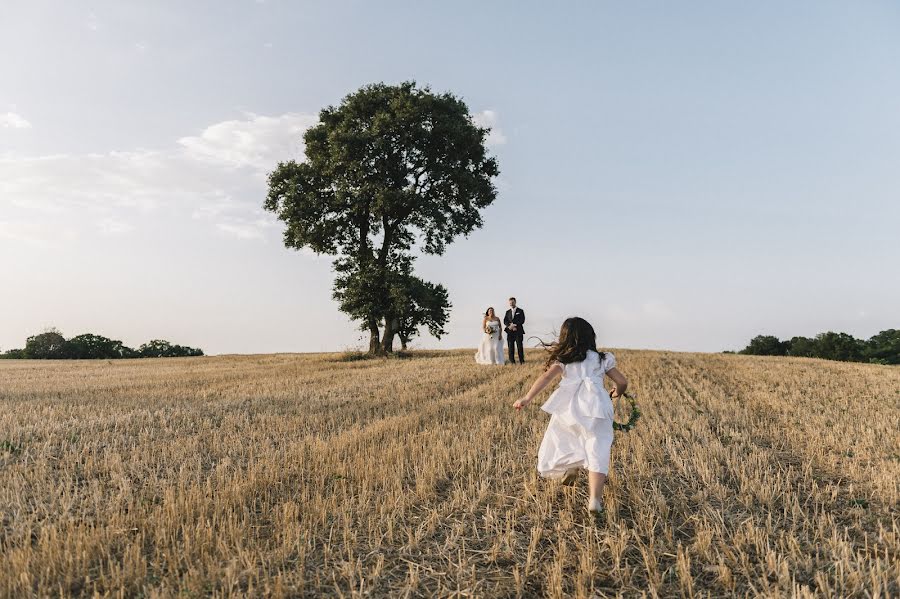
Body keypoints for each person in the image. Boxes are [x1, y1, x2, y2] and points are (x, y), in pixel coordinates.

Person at [512, 317, 628, 517]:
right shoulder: (602, 359)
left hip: (570, 406)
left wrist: (527, 398)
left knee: (565, 436)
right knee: (597, 447)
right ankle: (594, 500)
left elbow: (546, 378)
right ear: (591, 336)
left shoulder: (563, 360)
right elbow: (622, 381)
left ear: (565, 338)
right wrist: (617, 392)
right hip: (597, 406)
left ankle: (572, 465)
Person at [503, 297, 525, 364]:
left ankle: (522, 361)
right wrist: (509, 326)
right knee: (510, 347)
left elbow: (522, 320)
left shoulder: (520, 311)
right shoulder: (507, 312)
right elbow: (505, 321)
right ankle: (512, 361)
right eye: (510, 303)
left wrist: (515, 325)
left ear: (515, 302)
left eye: (512, 302)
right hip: (510, 332)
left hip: (518, 331)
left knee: (519, 346)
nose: (511, 304)